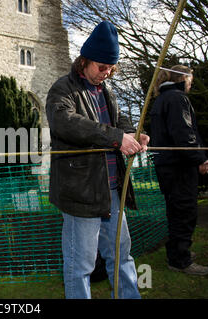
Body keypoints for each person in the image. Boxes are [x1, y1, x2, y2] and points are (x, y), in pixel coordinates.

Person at [45, 21, 149, 299]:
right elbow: (65, 122)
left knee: (121, 255)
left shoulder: (107, 92)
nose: (107, 73)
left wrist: (134, 135)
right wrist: (116, 137)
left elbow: (120, 122)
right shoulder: (62, 89)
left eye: (111, 68)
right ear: (85, 60)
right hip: (81, 193)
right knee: (81, 265)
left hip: (112, 190)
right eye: (102, 67)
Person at [150, 65, 208, 276]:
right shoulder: (177, 98)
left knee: (176, 211)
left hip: (168, 166)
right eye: (190, 82)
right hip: (179, 166)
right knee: (184, 212)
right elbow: (184, 133)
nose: (191, 86)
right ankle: (179, 260)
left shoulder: (162, 99)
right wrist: (200, 158)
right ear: (183, 79)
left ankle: (177, 252)